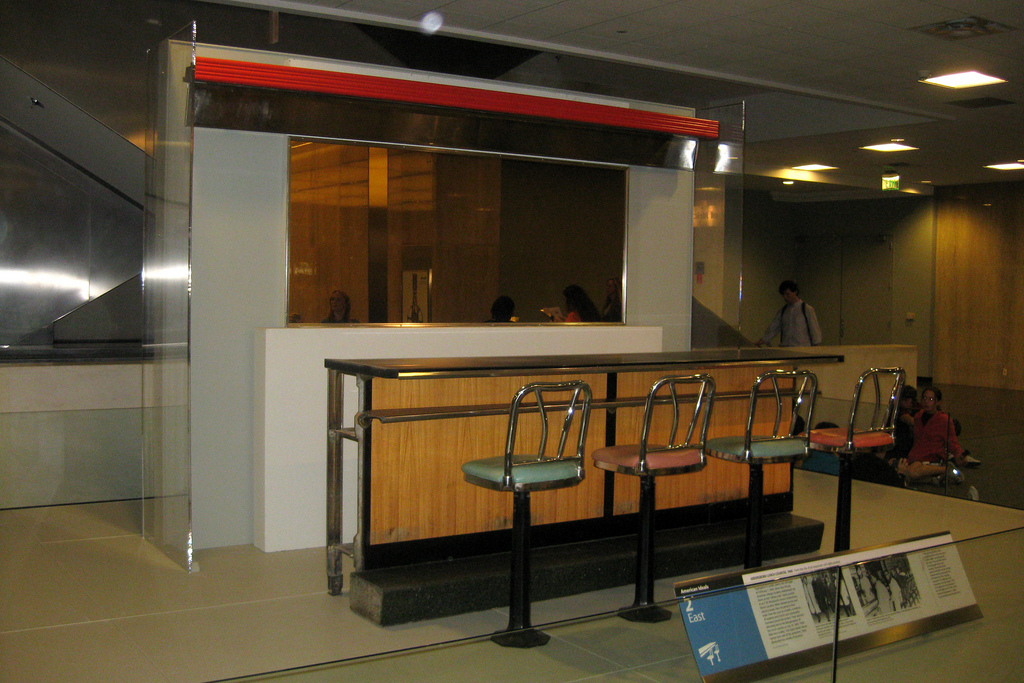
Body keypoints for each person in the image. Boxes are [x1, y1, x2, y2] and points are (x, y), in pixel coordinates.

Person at [896, 387, 969, 484]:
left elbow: (952, 442)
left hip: (933, 457)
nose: (926, 402)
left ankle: (946, 470)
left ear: (938, 402)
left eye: (930, 399)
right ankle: (935, 477)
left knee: (912, 472)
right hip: (916, 456)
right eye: (924, 398)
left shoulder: (944, 420)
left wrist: (958, 454)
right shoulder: (918, 416)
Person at [755, 280, 822, 347]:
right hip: (786, 348)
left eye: (787, 294)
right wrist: (759, 342)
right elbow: (773, 328)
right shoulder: (783, 311)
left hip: (802, 348)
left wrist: (815, 349)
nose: (785, 297)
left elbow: (815, 331)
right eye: (783, 294)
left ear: (795, 292)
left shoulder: (806, 309)